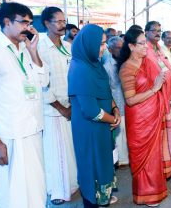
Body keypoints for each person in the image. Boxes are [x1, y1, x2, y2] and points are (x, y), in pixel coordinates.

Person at [0, 2, 49, 207]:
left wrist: (33, 51)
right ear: (6, 22)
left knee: (36, 186)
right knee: (14, 191)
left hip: (33, 128)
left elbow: (44, 82)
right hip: (10, 133)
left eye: (31, 23)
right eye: (24, 23)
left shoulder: (25, 48)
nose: (29, 28)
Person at [118, 28, 171, 206]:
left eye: (145, 43)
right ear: (131, 46)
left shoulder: (148, 62)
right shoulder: (127, 68)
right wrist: (154, 89)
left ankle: (156, 191)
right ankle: (145, 193)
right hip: (139, 119)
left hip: (153, 116)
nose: (145, 46)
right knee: (143, 158)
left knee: (155, 155)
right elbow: (130, 99)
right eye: (141, 44)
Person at [68, 24, 120, 207]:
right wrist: (113, 119)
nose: (104, 48)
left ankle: (101, 199)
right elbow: (90, 110)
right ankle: (92, 201)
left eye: (105, 43)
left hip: (101, 125)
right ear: (89, 44)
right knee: (91, 168)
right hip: (89, 129)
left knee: (102, 165)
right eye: (101, 44)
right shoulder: (80, 68)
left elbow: (105, 90)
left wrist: (115, 109)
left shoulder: (93, 63)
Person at [38, 6, 78, 205]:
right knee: (57, 152)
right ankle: (58, 191)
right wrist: (61, 108)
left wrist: (72, 103)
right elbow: (42, 84)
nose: (63, 25)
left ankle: (71, 184)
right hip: (53, 110)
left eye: (64, 21)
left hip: (71, 107)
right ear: (46, 23)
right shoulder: (39, 47)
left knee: (70, 150)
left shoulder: (68, 46)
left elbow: (73, 76)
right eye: (58, 21)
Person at [145, 21, 171, 177]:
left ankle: (163, 169)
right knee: (157, 137)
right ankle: (155, 170)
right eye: (154, 31)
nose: (157, 33)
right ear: (146, 32)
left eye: (159, 30)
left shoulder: (158, 49)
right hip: (155, 99)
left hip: (165, 98)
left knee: (164, 136)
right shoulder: (146, 50)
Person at [102, 36, 129, 166]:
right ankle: (121, 160)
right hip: (117, 106)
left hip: (128, 104)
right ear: (110, 50)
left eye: (122, 47)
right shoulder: (107, 66)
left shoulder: (126, 63)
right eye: (118, 48)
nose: (121, 50)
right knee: (119, 134)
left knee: (127, 133)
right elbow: (106, 89)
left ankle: (127, 158)